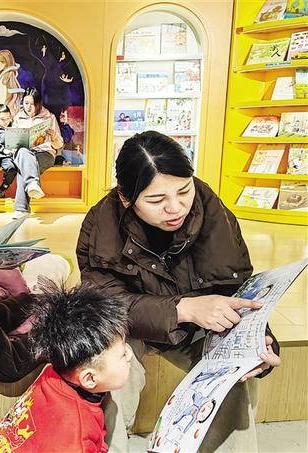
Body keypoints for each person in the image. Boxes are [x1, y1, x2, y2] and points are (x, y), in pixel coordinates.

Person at [76, 131, 281, 452]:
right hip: (129, 327)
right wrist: (181, 309)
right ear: (126, 198)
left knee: (232, 374)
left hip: (196, 329)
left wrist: (256, 339)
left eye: (184, 190)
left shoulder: (212, 212)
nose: (175, 208)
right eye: (156, 200)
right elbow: (106, 306)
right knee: (107, 363)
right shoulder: (101, 226)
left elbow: (236, 289)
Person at [0, 282, 132, 453]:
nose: (130, 355)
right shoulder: (75, 439)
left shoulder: (53, 374)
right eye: (123, 354)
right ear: (89, 378)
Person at [10, 87, 64, 219]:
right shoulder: (18, 118)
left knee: (25, 169)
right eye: (26, 103)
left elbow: (59, 145)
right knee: (24, 156)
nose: (28, 107)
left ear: (38, 104)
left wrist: (54, 137)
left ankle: (21, 208)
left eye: (32, 104)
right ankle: (32, 184)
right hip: (23, 153)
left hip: (44, 153)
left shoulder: (49, 117)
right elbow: (12, 143)